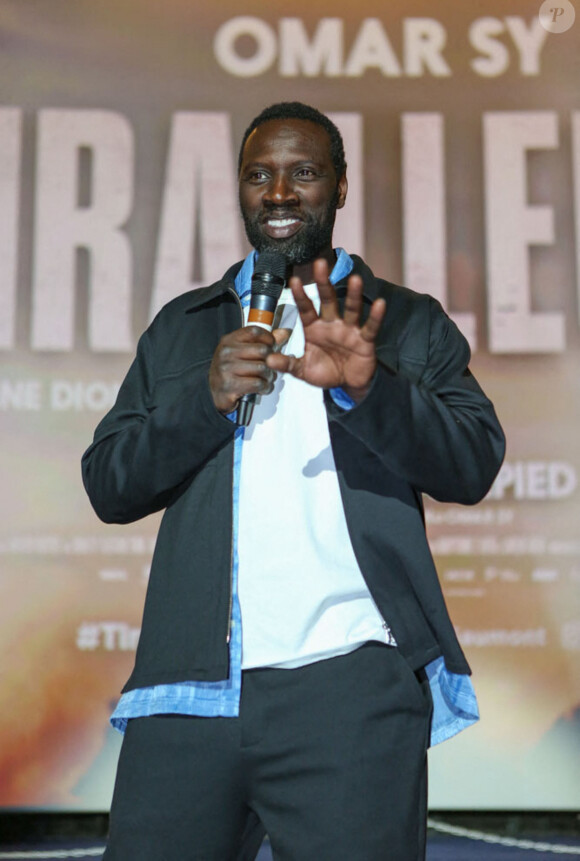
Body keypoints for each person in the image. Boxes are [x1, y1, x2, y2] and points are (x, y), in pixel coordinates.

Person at [82, 101, 505, 860]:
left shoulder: (403, 321)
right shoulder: (185, 327)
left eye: (303, 173)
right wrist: (200, 402)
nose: (278, 193)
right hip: (189, 692)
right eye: (259, 176)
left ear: (339, 188)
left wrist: (371, 391)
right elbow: (109, 482)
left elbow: (473, 461)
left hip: (350, 691)